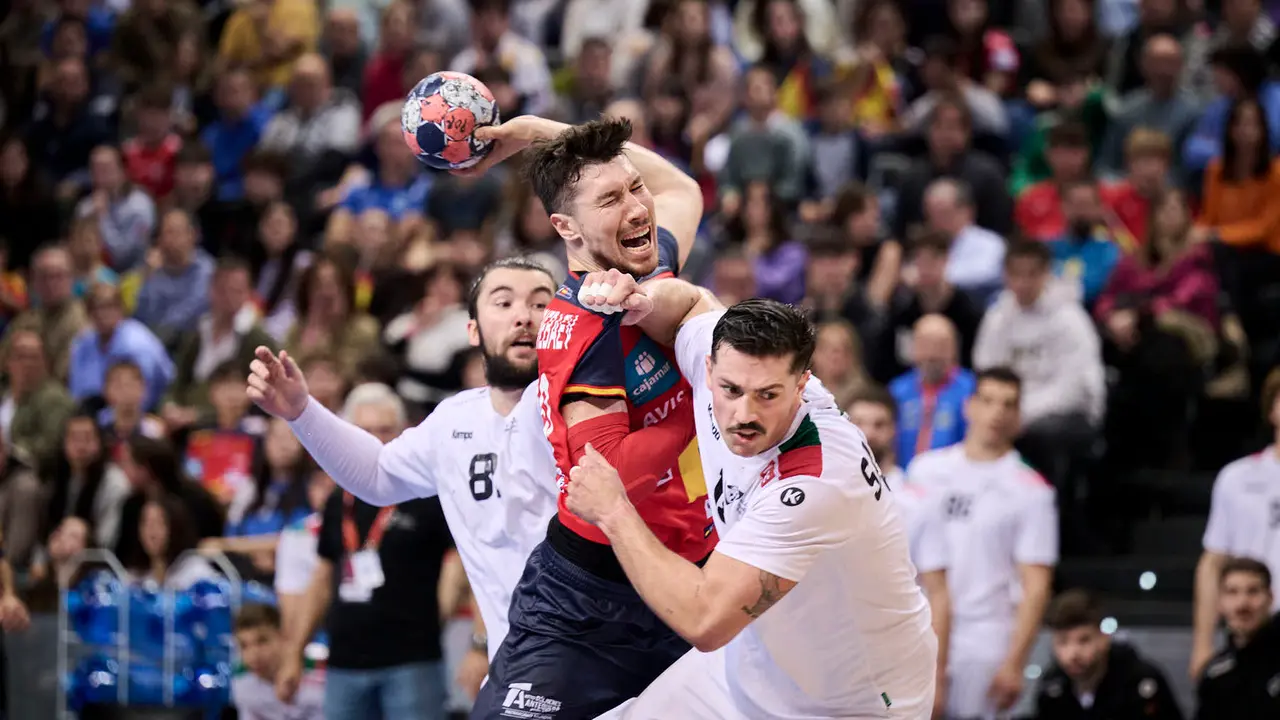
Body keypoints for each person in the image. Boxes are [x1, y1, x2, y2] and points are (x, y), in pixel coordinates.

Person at [567, 274, 937, 719]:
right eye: (731, 391)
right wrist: (639, 299)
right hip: (752, 663)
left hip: (851, 703)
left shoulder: (814, 482)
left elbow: (704, 619)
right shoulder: (728, 359)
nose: (744, 414)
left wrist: (613, 510)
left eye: (767, 396)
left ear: (803, 386)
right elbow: (690, 304)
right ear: (709, 369)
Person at [454, 116, 712, 719]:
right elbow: (610, 476)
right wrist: (713, 402)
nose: (638, 207)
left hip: (685, 576)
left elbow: (682, 191)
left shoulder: (648, 270)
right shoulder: (585, 321)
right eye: (611, 199)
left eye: (633, 189)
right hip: (590, 601)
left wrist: (546, 134)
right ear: (565, 227)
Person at [247, 258, 561, 695]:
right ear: (472, 331)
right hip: (517, 663)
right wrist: (302, 412)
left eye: (542, 304)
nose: (524, 315)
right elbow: (376, 474)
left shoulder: (586, 403)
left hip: (604, 652)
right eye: (504, 302)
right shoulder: (454, 420)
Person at [905, 367, 1059, 720]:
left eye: (1008, 405)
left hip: (985, 638)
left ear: (1019, 416)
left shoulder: (1031, 491)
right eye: (988, 401)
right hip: (917, 626)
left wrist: (1015, 662)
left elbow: (1036, 585)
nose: (997, 413)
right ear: (969, 406)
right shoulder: (925, 470)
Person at [1035, 589, 1184, 719]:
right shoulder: (1052, 688)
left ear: (1104, 637)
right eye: (1063, 642)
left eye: (1084, 640)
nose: (1073, 654)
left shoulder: (1140, 682)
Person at [1195, 557, 1280, 720]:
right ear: (1219, 601)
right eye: (1232, 592)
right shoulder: (1215, 676)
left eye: (1253, 591)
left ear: (1270, 598)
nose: (1242, 604)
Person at [232, 603, 324, 720]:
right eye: (244, 646)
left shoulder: (320, 676)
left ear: (283, 637)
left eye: (262, 641)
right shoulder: (241, 683)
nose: (253, 655)